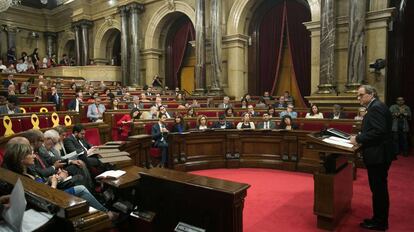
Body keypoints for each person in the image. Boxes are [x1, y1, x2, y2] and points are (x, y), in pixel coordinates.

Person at [2, 140, 118, 220]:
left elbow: (40, 185)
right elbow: (44, 200)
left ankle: (102, 210)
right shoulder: (21, 179)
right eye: (30, 154)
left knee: (78, 177)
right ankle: (106, 213)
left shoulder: (29, 169)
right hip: (51, 201)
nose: (34, 156)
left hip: (51, 191)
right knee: (80, 189)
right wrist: (53, 182)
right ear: (21, 159)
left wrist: (50, 180)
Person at [350, 85, 393, 231]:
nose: (359, 98)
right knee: (379, 189)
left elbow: (378, 132)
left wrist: (359, 138)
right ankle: (379, 218)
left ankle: (380, 222)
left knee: (379, 189)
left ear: (371, 94)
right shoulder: (377, 106)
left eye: (361, 95)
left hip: (378, 155)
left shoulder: (376, 108)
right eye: (358, 95)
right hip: (380, 154)